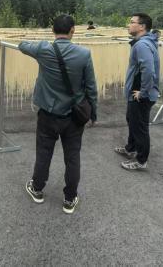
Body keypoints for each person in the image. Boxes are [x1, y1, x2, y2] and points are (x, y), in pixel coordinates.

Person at [19, 14, 98, 214]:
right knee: (72, 157)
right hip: (74, 116)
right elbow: (91, 87)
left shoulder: (43, 49)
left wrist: (38, 43)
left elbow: (22, 45)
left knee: (43, 153)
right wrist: (93, 113)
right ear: (73, 30)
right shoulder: (84, 54)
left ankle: (37, 189)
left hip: (48, 114)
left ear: (52, 30)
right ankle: (69, 199)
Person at [115, 13, 160, 170]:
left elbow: (148, 70)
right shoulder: (143, 43)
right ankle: (131, 148)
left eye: (132, 22)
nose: (128, 24)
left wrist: (143, 92)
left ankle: (141, 160)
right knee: (132, 121)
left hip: (141, 95)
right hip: (136, 92)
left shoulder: (141, 45)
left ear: (142, 27)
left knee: (140, 127)